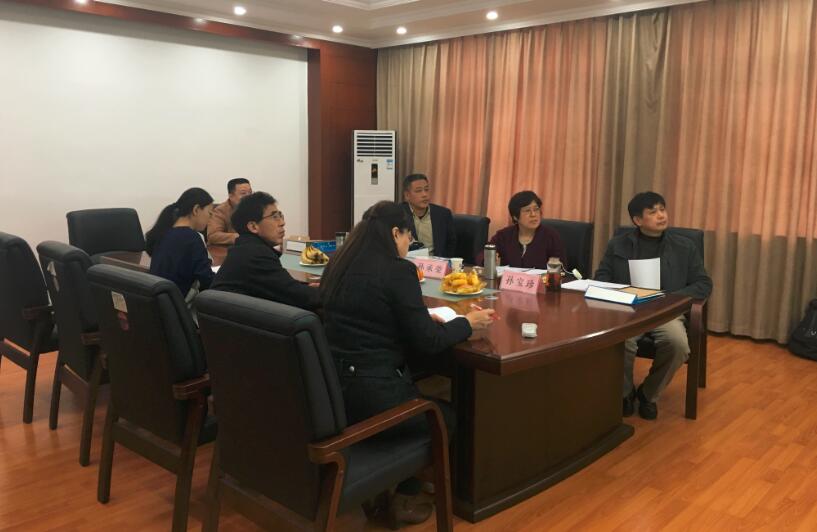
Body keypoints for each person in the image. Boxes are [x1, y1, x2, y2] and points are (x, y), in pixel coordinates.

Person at [320, 200, 495, 528]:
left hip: (335, 393)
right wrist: (467, 323)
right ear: (394, 233)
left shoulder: (339, 263)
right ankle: (406, 495)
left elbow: (369, 313)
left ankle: (392, 483)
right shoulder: (397, 270)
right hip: (374, 398)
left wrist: (418, 317)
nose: (408, 244)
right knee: (446, 417)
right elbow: (428, 342)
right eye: (407, 237)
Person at [595, 191, 712, 420]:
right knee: (621, 342)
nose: (661, 215)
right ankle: (625, 393)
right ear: (638, 220)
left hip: (666, 312)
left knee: (678, 344)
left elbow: (703, 283)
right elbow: (602, 276)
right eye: (653, 212)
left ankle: (648, 394)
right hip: (628, 311)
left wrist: (671, 298)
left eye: (662, 209)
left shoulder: (684, 246)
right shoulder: (618, 244)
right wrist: (621, 294)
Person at [211, 191, 320, 310]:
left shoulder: (246, 248)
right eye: (274, 217)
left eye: (280, 216)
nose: (282, 223)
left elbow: (283, 286)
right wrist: (327, 293)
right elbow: (297, 296)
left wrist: (307, 286)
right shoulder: (255, 254)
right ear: (253, 227)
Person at [145, 187, 215, 308]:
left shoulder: (164, 233)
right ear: (196, 210)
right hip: (180, 308)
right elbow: (206, 279)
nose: (210, 219)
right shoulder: (192, 238)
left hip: (161, 306)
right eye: (209, 213)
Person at [477, 190, 566, 268]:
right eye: (527, 210)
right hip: (509, 281)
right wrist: (487, 260)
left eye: (536, 209)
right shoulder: (504, 236)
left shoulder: (550, 236)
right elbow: (482, 255)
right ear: (515, 217)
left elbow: (561, 268)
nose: (533, 214)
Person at [400, 174, 457, 257]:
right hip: (408, 262)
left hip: (436, 262)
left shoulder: (443, 214)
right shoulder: (398, 214)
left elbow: (451, 244)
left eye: (426, 190)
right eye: (418, 191)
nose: (424, 194)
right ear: (407, 195)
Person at [207, 178, 252, 245]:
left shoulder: (256, 207)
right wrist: (241, 237)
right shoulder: (220, 211)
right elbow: (213, 236)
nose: (249, 196)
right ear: (231, 196)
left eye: (250, 192)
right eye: (243, 193)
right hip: (227, 248)